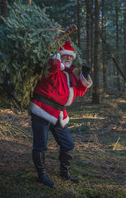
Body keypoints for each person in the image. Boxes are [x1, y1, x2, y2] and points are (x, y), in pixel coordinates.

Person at [28, 41, 92, 189]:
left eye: (71, 56)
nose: (68, 58)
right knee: (40, 145)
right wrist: (55, 51)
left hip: (59, 114)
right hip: (42, 110)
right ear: (60, 56)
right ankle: (42, 176)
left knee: (68, 144)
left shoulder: (69, 74)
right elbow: (53, 64)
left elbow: (80, 91)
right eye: (65, 55)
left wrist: (85, 75)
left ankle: (65, 173)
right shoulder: (51, 68)